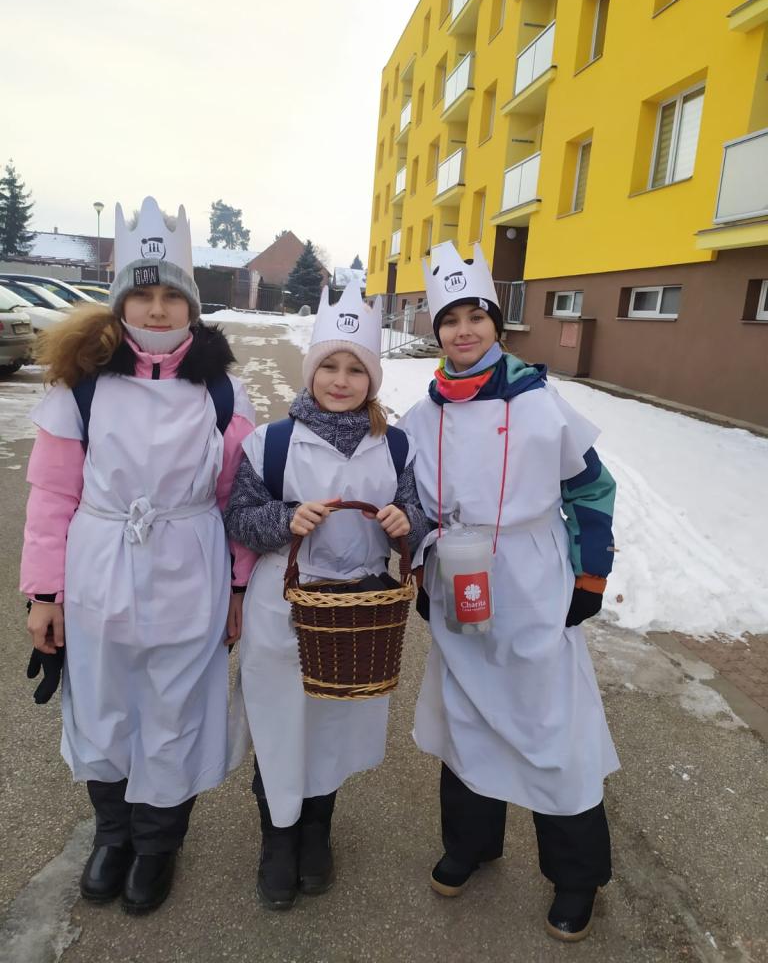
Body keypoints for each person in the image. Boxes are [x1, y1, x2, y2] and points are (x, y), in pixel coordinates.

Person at [20, 197, 256, 914]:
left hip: (190, 566)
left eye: (171, 296)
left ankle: (157, 846)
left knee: (174, 708)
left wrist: (239, 587)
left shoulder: (220, 392)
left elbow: (235, 497)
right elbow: (52, 497)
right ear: (121, 302)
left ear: (191, 306)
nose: (157, 309)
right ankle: (114, 834)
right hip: (100, 565)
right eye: (143, 295)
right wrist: (44, 594)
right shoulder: (84, 387)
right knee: (104, 704)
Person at [398, 241, 619, 943]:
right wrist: (420, 563)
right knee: (467, 716)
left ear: (496, 323)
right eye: (450, 320)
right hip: (456, 578)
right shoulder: (421, 416)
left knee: (551, 727)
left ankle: (576, 876)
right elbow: (412, 506)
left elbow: (592, 488)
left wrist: (591, 574)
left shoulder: (540, 404)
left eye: (476, 317)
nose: (463, 331)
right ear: (436, 331)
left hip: (531, 579)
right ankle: (471, 844)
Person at [224, 281, 430, 910]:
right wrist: (284, 518)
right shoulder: (272, 442)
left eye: (355, 369)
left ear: (373, 379)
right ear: (311, 371)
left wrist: (403, 523)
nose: (341, 381)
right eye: (329, 367)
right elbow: (239, 517)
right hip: (283, 608)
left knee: (332, 724)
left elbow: (419, 518)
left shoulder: (396, 445)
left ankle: (317, 829)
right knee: (281, 720)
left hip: (357, 611)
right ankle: (277, 837)